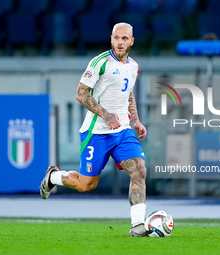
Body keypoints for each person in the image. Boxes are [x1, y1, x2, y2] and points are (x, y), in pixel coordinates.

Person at [40, 22, 148, 237]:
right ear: (111, 38)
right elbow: (81, 94)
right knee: (86, 185)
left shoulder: (133, 66)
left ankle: (138, 225)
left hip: (123, 131)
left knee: (139, 171)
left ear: (132, 41)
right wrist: (106, 115)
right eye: (116, 38)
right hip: (96, 132)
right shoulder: (100, 63)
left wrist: (135, 120)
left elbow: (127, 93)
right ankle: (53, 177)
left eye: (124, 38)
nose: (120, 42)